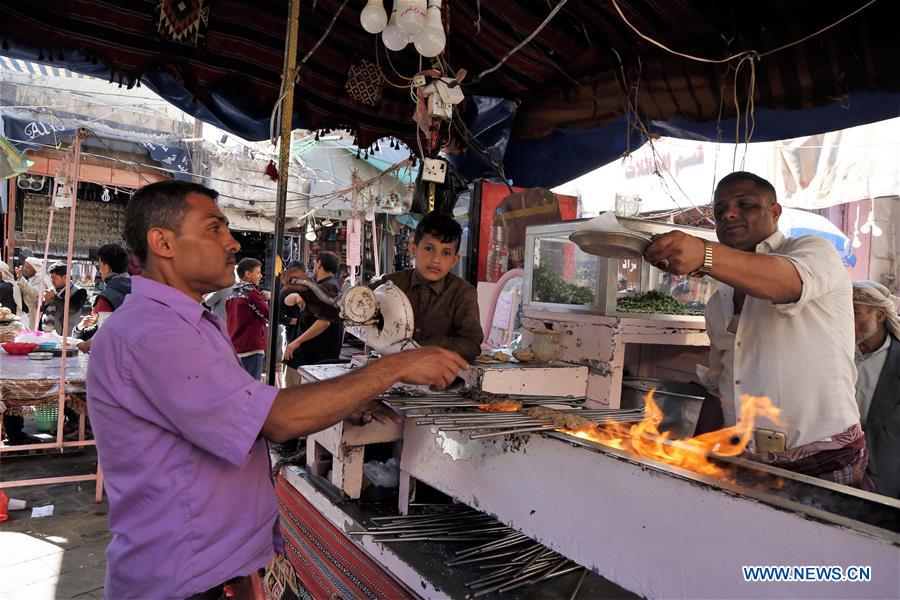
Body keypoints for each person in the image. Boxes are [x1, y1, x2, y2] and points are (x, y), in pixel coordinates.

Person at [86, 181, 466, 599]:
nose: (232, 243)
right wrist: (399, 365)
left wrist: (346, 401)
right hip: (181, 581)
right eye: (215, 228)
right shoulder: (153, 334)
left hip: (210, 569)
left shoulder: (185, 323)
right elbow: (276, 419)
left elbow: (239, 414)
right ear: (162, 242)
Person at [645, 171, 867, 487]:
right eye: (720, 211)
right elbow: (720, 385)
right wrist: (693, 459)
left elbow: (788, 283)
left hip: (823, 458)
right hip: (747, 460)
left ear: (774, 212)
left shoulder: (813, 251)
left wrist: (704, 254)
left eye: (745, 204)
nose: (729, 214)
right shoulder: (718, 302)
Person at [371, 211, 483, 361]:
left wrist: (423, 349)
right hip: (390, 373)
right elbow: (356, 302)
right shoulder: (390, 285)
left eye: (446, 253)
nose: (436, 259)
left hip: (439, 380)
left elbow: (472, 343)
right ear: (413, 250)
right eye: (429, 249)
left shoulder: (463, 293)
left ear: (454, 260)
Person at [852, 280, 900, 498]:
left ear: (880, 315)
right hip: (832, 473)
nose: (848, 321)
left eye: (856, 312)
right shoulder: (834, 354)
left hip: (884, 484)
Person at [284, 251, 344, 380]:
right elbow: (287, 301)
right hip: (308, 358)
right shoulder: (319, 287)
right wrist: (296, 296)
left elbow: (324, 322)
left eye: (314, 263)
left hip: (313, 358)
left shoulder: (328, 287)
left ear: (319, 264)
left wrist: (297, 342)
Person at [75, 243, 132, 353]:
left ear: (107, 268)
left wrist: (85, 345)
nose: (99, 271)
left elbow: (105, 334)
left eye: (100, 266)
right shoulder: (140, 289)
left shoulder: (106, 297)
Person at [226, 257, 270, 380]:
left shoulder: (232, 292)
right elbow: (269, 315)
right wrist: (270, 299)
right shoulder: (251, 292)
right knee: (251, 388)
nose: (260, 276)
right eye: (258, 272)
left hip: (235, 346)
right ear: (248, 274)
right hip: (250, 346)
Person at [41, 263, 88, 336]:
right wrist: (44, 303)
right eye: (51, 277)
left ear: (65, 278)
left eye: (55, 277)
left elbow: (73, 309)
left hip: (65, 335)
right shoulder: (52, 290)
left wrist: (54, 298)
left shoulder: (79, 291)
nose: (52, 280)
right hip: (47, 334)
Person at [15, 256, 51, 328]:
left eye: (28, 267)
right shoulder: (30, 279)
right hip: (29, 314)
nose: (24, 269)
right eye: (24, 267)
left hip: (36, 314)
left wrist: (21, 278)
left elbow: (34, 292)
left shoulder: (41, 279)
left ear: (35, 269)